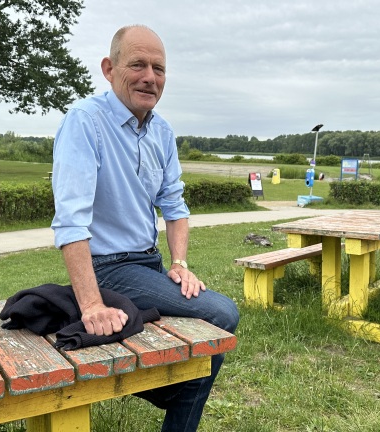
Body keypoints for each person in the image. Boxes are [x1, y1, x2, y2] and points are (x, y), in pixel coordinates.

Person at [50, 25, 239, 432]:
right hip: (109, 267)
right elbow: (71, 221)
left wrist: (181, 263)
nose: (149, 77)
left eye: (159, 68)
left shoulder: (163, 131)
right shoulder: (85, 122)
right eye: (137, 64)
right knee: (222, 314)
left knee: (205, 339)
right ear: (109, 67)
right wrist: (91, 307)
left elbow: (174, 205)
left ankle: (180, 383)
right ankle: (173, 387)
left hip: (147, 263)